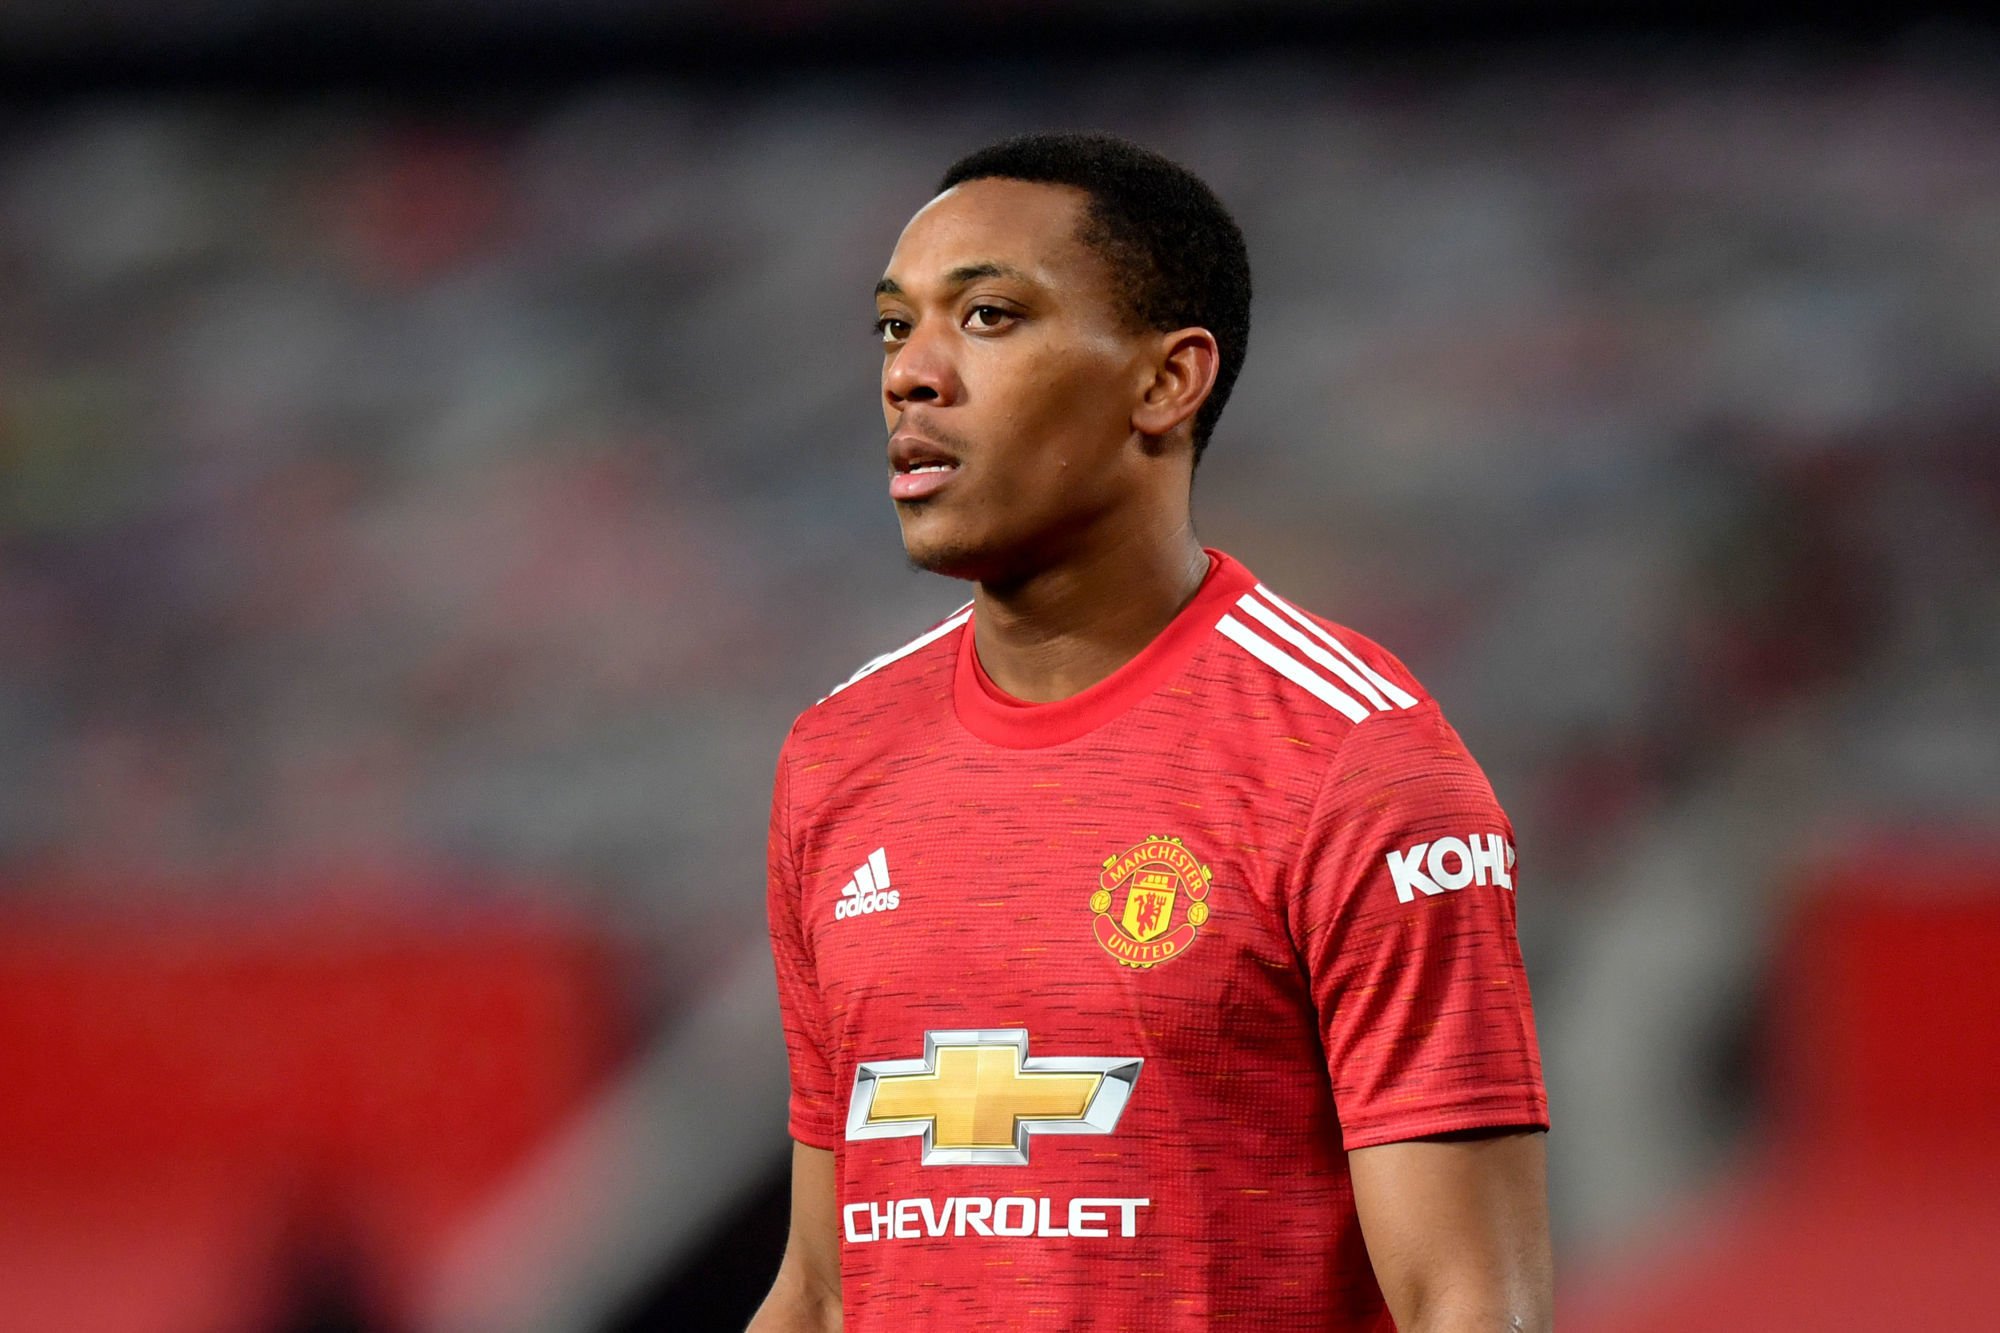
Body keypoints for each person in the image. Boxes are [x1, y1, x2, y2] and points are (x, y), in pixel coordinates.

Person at [751, 132, 1550, 1332]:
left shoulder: (1356, 765)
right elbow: (820, 1291)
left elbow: (1465, 1300)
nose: (908, 373)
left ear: (1166, 382)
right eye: (891, 326)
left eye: (986, 317)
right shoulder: (834, 756)